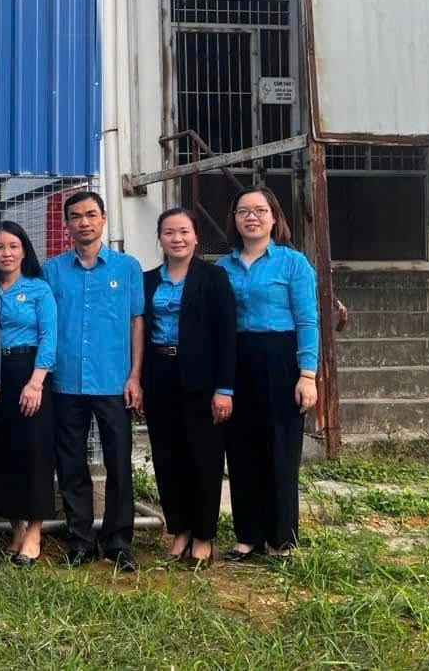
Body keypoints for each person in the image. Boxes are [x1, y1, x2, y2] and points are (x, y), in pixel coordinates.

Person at [43, 190, 144, 573]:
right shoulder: (53, 271)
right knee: (71, 464)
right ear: (66, 224)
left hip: (113, 383)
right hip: (66, 383)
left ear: (103, 219)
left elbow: (137, 321)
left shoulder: (127, 268)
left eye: (90, 214)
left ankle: (118, 542)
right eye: (75, 216)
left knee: (119, 464)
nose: (83, 222)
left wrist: (135, 375)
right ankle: (80, 540)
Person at [218, 187, 319, 560]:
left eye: (260, 210)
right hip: (236, 361)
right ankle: (248, 536)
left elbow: (308, 319)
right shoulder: (222, 267)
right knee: (241, 450)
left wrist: (307, 375)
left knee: (280, 451)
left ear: (274, 218)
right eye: (244, 211)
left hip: (280, 361)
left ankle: (282, 540)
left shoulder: (293, 264)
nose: (252, 217)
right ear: (235, 220)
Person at [141, 208, 237, 566]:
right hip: (159, 375)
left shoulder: (214, 278)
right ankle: (179, 529)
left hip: (202, 379)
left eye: (183, 232)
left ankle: (203, 536)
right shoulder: (148, 280)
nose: (177, 239)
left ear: (196, 237)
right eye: (169, 232)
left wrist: (225, 388)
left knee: (204, 458)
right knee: (168, 457)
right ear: (160, 238)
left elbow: (227, 336)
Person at [0, 221, 57, 567]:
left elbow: (49, 337)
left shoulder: (39, 289)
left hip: (30, 375)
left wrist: (36, 381)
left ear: (24, 250)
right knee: (2, 452)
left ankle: (35, 530)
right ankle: (15, 526)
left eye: (13, 246)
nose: (6, 253)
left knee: (35, 453)